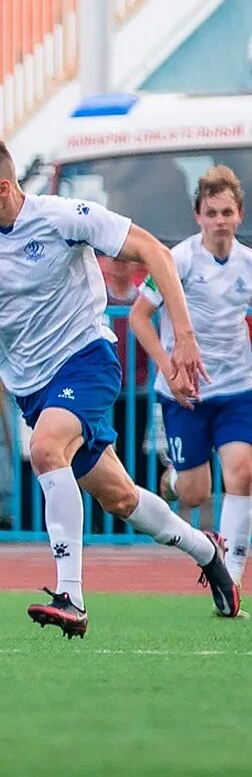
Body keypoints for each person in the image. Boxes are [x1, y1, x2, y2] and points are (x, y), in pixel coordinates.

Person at [0, 136, 238, 637]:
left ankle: (72, 597)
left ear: (2, 188)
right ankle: (206, 550)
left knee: (45, 449)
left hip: (86, 358)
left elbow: (154, 251)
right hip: (30, 383)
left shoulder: (64, 217)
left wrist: (185, 338)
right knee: (121, 499)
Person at [129, 166, 252, 586]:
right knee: (195, 493)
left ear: (240, 215)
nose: (220, 221)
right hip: (186, 393)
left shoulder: (248, 264)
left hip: (237, 387)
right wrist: (169, 368)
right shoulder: (177, 260)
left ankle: (232, 571)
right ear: (198, 216)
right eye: (211, 212)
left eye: (227, 212)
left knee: (242, 472)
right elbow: (139, 318)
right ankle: (173, 479)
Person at [100, 254, 153, 504]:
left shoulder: (144, 301)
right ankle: (100, 521)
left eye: (124, 260)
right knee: (100, 455)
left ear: (134, 264)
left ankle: (133, 518)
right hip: (102, 390)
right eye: (115, 260)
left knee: (134, 454)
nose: (119, 265)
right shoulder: (97, 298)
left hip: (137, 388)